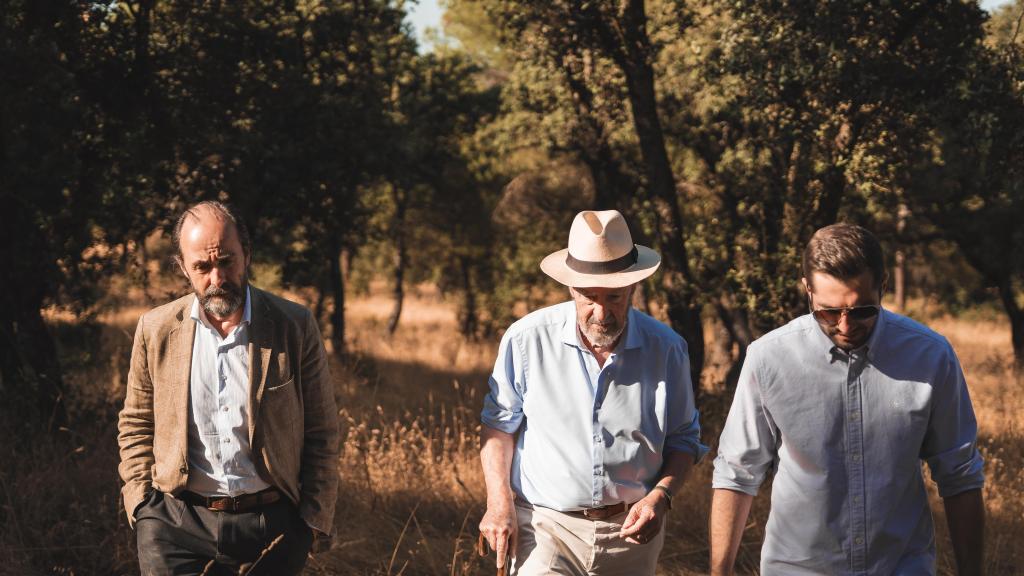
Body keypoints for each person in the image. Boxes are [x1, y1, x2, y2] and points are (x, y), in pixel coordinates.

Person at [710, 223, 986, 576]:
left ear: (883, 286)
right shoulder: (768, 359)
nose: (845, 325)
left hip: (901, 567)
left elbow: (959, 475)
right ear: (808, 290)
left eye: (862, 310)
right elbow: (736, 473)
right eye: (828, 312)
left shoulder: (931, 357)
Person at [478, 209, 708, 575]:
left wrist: (660, 498)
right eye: (589, 297)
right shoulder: (526, 339)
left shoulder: (667, 348)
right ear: (570, 288)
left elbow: (683, 440)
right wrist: (498, 502)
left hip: (632, 532)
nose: (601, 313)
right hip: (545, 527)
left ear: (633, 287)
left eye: (614, 297)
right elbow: (499, 427)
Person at [117, 201, 339, 575]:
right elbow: (136, 422)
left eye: (227, 262)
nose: (217, 278)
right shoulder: (155, 329)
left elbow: (322, 429)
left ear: (247, 256)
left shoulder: (293, 326)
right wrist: (142, 506)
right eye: (202, 267)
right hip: (175, 524)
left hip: (273, 525)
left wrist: (312, 519)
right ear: (183, 268)